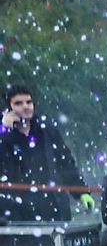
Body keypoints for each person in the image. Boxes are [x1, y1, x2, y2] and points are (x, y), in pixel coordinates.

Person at [0, 83, 89, 222]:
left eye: (28, 102)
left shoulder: (46, 130)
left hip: (52, 208)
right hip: (17, 214)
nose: (25, 106)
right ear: (8, 109)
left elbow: (65, 163)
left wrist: (81, 192)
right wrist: (5, 130)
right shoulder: (4, 136)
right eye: (18, 103)